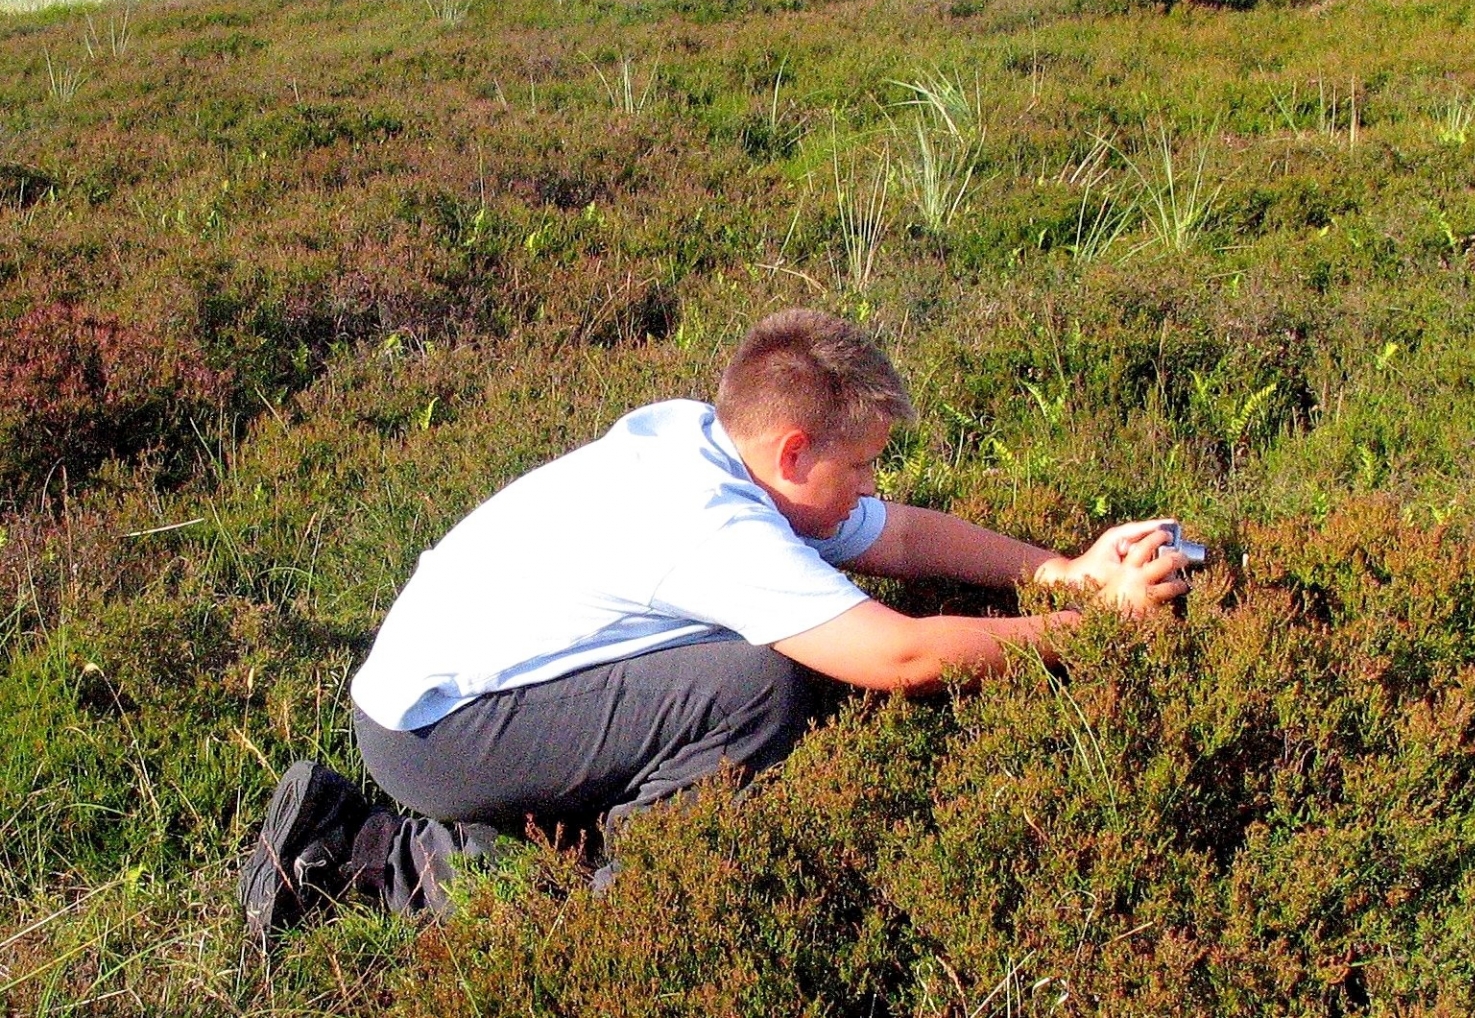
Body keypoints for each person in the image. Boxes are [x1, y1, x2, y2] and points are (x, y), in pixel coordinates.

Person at [240, 308, 1191, 932]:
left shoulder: (713, 443)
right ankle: (612, 906)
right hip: (435, 734)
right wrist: (1099, 630)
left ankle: (348, 840)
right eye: (857, 465)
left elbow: (896, 539)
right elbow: (896, 655)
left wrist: (1064, 572)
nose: (870, 484)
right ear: (792, 451)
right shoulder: (705, 521)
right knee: (759, 684)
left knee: (751, 659)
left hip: (443, 699)